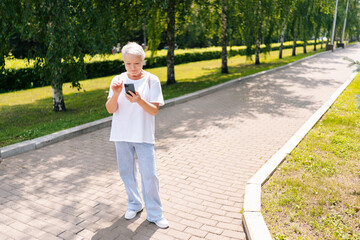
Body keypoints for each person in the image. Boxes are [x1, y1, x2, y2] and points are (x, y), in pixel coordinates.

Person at [105, 42, 169, 229]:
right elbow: (110, 109)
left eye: (137, 64)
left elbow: (153, 111)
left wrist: (139, 100)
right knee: (127, 173)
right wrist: (116, 94)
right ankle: (135, 203)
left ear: (143, 61)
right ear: (124, 62)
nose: (132, 68)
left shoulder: (152, 80)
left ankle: (155, 213)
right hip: (121, 135)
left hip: (143, 136)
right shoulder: (117, 79)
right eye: (128, 64)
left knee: (149, 175)